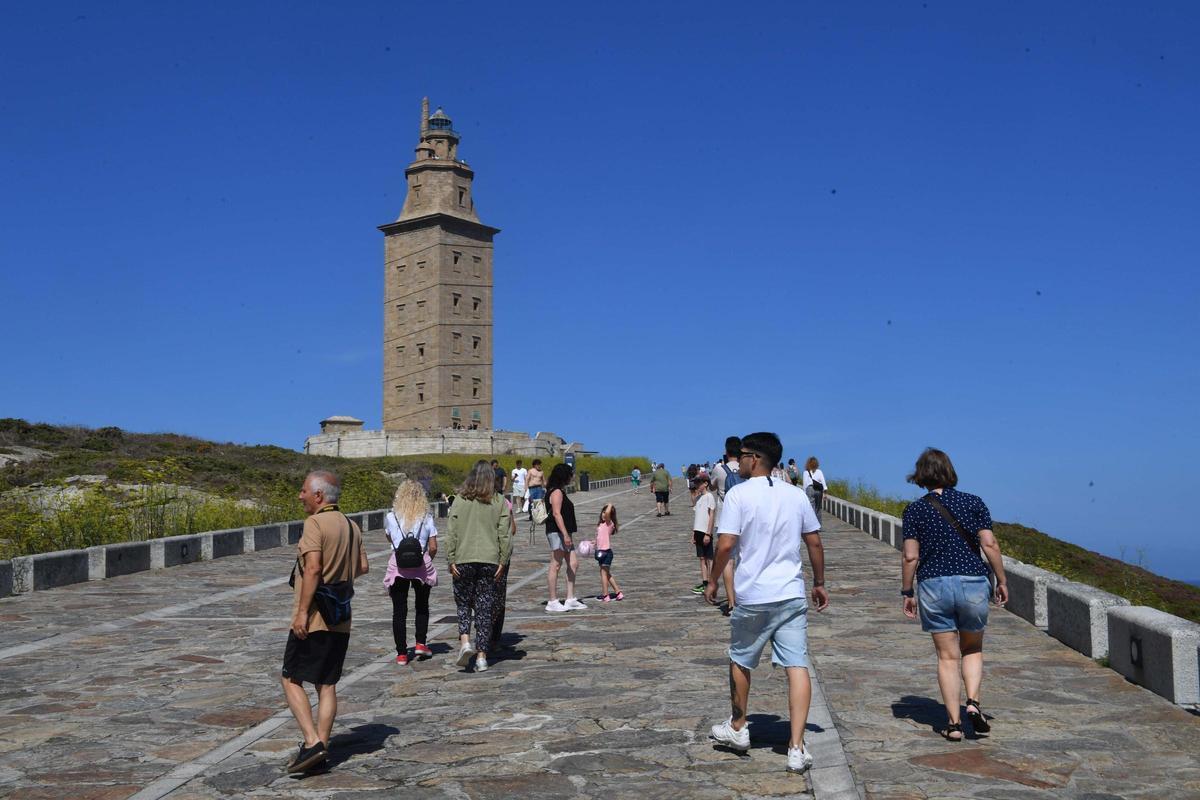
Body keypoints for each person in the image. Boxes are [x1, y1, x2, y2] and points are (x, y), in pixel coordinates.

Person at [705, 432, 828, 776]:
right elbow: (814, 543)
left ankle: (739, 727)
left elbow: (727, 544)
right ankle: (796, 747)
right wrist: (819, 583)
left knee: (741, 659)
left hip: (754, 595)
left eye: (742, 455)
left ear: (755, 458)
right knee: (796, 666)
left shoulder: (738, 494)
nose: (738, 460)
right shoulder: (796, 495)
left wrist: (713, 580)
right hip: (790, 593)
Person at [900, 448, 1009, 741]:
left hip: (933, 584)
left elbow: (911, 556)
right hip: (972, 581)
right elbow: (990, 544)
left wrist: (907, 591)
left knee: (947, 657)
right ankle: (972, 703)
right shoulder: (973, 503)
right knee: (972, 648)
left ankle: (954, 724)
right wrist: (1001, 580)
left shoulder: (915, 510)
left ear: (920, 475)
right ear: (949, 471)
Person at [281, 470, 369, 775]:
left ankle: (311, 742)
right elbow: (362, 566)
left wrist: (302, 612)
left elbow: (314, 567)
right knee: (327, 684)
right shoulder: (351, 525)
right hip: (341, 617)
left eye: (304, 490)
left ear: (319, 496)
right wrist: (339, 580)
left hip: (316, 617)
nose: (300, 495)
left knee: (290, 678)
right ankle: (322, 749)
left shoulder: (315, 523)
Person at [445, 460, 511, 673]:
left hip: (463, 558)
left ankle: (465, 641)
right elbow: (504, 534)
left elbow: (452, 531)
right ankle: (482, 656)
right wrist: (503, 559)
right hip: (489, 560)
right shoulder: (499, 501)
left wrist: (451, 558)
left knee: (463, 603)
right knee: (484, 607)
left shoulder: (459, 501)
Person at [383, 480, 438, 666]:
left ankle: (401, 654)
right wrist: (427, 559)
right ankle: (421, 643)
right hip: (421, 565)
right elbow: (433, 546)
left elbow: (389, 537)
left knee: (399, 611)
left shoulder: (392, 517)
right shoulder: (427, 517)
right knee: (422, 606)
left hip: (398, 567)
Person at [544, 462, 587, 612]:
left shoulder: (559, 491)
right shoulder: (556, 492)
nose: (571, 477)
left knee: (573, 563)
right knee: (555, 564)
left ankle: (570, 598)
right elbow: (556, 513)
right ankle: (552, 601)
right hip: (558, 532)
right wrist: (565, 534)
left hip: (564, 533)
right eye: (570, 474)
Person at [710, 436, 742, 613]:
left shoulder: (719, 469)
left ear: (726, 451)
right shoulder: (747, 468)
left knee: (728, 562)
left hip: (724, 519)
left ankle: (731, 602)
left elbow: (712, 487)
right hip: (744, 519)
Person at [490, 492, 519, 652]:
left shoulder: (473, 500)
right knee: (499, 595)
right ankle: (494, 639)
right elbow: (513, 529)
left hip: (479, 554)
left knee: (481, 593)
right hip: (500, 555)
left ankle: (480, 630)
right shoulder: (504, 502)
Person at [690, 474, 717, 595]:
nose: (696, 485)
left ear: (705, 483)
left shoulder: (709, 496)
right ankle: (705, 582)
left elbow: (711, 515)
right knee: (702, 558)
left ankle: (712, 582)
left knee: (709, 558)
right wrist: (693, 533)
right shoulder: (698, 498)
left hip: (706, 531)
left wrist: (708, 533)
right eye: (695, 483)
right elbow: (697, 517)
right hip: (698, 531)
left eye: (698, 483)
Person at [594, 503, 624, 601]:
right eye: (602, 512)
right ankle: (618, 592)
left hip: (606, 553)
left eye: (606, 513)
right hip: (600, 552)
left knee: (603, 574)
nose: (604, 514)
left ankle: (605, 595)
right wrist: (594, 542)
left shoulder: (609, 523)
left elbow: (607, 514)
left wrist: (610, 504)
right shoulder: (601, 525)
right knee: (607, 574)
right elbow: (600, 538)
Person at [802, 457, 827, 525]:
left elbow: (805, 485)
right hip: (819, 490)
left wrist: (804, 494)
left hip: (810, 489)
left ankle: (813, 525)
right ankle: (819, 525)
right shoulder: (819, 471)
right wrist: (825, 493)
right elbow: (823, 483)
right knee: (818, 508)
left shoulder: (805, 472)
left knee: (811, 508)